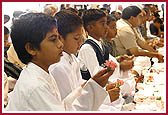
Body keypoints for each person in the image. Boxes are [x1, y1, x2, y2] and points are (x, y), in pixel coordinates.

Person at [6, 13, 114, 111]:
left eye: (58, 38)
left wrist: (93, 85)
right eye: (53, 39)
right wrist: (94, 89)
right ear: (31, 49)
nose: (60, 44)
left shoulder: (42, 73)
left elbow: (63, 106)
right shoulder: (36, 86)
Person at [49, 11, 119, 104]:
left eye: (81, 37)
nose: (80, 41)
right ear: (60, 38)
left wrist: (101, 90)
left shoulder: (72, 58)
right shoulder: (59, 67)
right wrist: (101, 96)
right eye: (76, 38)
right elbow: (69, 104)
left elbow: (79, 86)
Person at [78, 9, 129, 111]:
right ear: (90, 27)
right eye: (102, 23)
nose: (106, 27)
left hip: (105, 87)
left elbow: (113, 64)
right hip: (93, 95)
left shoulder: (102, 46)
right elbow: (97, 76)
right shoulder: (87, 48)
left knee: (126, 85)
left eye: (106, 23)